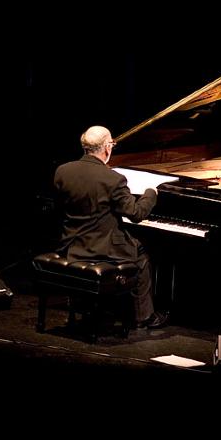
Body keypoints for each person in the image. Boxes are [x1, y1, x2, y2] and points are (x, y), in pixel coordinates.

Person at [53, 125, 168, 329]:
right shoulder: (113, 179)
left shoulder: (63, 171)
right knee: (140, 252)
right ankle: (144, 316)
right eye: (112, 144)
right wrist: (151, 192)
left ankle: (103, 305)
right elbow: (136, 214)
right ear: (107, 147)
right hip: (101, 248)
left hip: (70, 243)